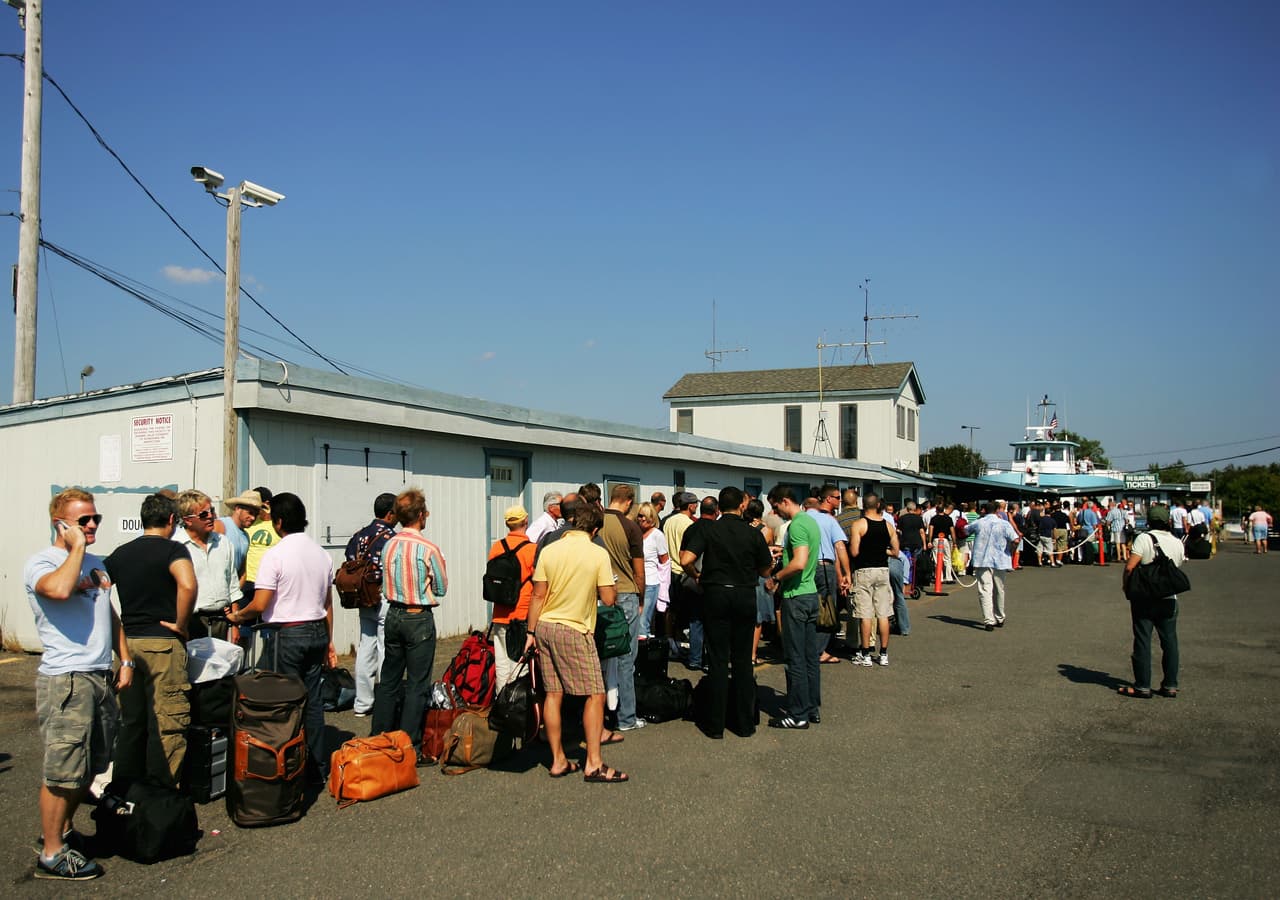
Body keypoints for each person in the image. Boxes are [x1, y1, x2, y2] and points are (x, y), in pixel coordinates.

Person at [26, 488, 132, 881]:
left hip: (100, 674)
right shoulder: (43, 562)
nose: (91, 526)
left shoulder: (97, 563)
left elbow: (110, 614)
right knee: (63, 769)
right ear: (61, 525)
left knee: (90, 765)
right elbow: (58, 590)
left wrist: (125, 659)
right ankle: (51, 853)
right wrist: (73, 550)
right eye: (83, 521)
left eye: (95, 519)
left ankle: (63, 832)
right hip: (66, 679)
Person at [227, 493, 338, 784]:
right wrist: (329, 641)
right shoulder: (321, 553)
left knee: (284, 703)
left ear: (278, 522)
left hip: (285, 633)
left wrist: (239, 616)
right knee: (313, 701)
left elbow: (261, 603)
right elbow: (327, 604)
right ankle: (317, 766)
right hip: (315, 629)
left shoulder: (275, 555)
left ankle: (287, 767)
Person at [523, 504, 628, 783]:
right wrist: (611, 585)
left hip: (545, 626)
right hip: (575, 628)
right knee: (595, 693)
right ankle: (593, 763)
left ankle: (558, 760)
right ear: (594, 530)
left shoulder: (549, 550)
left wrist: (530, 632)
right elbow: (608, 598)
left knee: (553, 694)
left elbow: (537, 595)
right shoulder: (597, 553)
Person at [103, 492, 196, 788]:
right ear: (171, 520)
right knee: (167, 722)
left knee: (132, 721)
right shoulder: (174, 550)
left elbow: (97, 590)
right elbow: (187, 584)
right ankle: (160, 792)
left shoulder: (120, 554)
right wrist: (181, 624)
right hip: (163, 644)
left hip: (128, 646)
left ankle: (125, 790)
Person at [680, 486, 772, 739]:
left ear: (719, 507)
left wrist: (697, 576)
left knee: (718, 659)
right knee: (742, 660)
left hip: (716, 593)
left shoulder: (710, 530)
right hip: (743, 593)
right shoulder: (753, 533)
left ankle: (715, 724)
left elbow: (686, 559)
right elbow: (766, 570)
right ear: (742, 506)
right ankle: (744, 724)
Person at [367, 489, 448, 759]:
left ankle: (378, 736)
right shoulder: (428, 548)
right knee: (417, 683)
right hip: (418, 616)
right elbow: (441, 586)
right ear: (421, 515)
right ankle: (409, 743)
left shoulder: (389, 544)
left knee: (389, 678)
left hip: (393, 614)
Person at [764, 486, 821, 730]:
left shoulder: (796, 525)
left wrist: (776, 578)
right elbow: (802, 556)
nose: (775, 512)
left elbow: (798, 563)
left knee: (795, 657)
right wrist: (783, 551)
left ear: (785, 501)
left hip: (795, 596)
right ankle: (811, 707)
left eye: (776, 506)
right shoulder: (811, 521)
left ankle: (798, 713)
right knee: (810, 657)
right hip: (810, 594)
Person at [1118, 504, 1186, 699]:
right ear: (1168, 521)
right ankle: (1170, 684)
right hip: (1169, 597)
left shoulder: (1144, 539)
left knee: (1142, 640)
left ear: (1149, 521)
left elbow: (1130, 567)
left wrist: (1126, 586)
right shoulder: (1177, 542)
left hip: (1145, 597)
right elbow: (1178, 564)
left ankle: (1142, 685)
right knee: (1170, 641)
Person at [344, 492, 398, 717]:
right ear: (390, 514)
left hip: (363, 598)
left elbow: (349, 561)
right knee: (385, 647)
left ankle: (362, 703)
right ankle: (386, 702)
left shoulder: (359, 535)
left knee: (366, 646)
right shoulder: (391, 538)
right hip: (384, 596)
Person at [599, 484, 646, 731]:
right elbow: (639, 571)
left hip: (598, 592)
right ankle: (626, 717)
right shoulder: (630, 527)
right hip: (626, 592)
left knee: (600, 657)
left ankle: (598, 715)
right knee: (626, 657)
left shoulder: (595, 523)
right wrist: (641, 598)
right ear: (628, 501)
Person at [174, 489, 242, 641]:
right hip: (191, 621)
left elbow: (233, 585)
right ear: (188, 520)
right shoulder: (176, 547)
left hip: (221, 621)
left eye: (211, 511)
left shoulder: (223, 543)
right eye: (203, 514)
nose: (211, 516)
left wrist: (236, 624)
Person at [488, 504, 538, 688]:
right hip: (521, 614)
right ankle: (517, 707)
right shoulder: (531, 549)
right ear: (525, 521)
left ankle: (501, 704)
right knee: (519, 665)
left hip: (499, 612)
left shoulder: (496, 547)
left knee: (501, 664)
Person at [848, 493, 899, 666]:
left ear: (864, 505)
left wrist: (865, 548)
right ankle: (883, 653)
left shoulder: (859, 525)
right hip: (882, 570)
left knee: (865, 614)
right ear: (878, 505)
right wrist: (881, 550)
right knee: (883, 613)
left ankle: (866, 654)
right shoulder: (888, 525)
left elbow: (854, 551)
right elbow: (895, 551)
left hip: (864, 570)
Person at [807, 486, 851, 664]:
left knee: (808, 607)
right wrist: (846, 573)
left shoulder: (802, 519)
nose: (839, 501)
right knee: (827, 609)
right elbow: (840, 547)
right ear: (826, 499)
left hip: (806, 567)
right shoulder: (829, 520)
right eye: (837, 497)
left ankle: (808, 646)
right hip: (825, 566)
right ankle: (819, 651)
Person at [966, 501, 1020, 631]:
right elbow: (1016, 539)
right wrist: (1011, 550)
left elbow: (965, 529)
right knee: (999, 589)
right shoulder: (1004, 524)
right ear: (997, 510)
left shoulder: (980, 522)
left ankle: (988, 620)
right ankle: (1000, 617)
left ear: (984, 510)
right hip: (1000, 560)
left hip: (982, 559)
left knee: (985, 589)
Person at [663, 491, 699, 661]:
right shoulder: (689, 524)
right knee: (685, 612)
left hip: (668, 569)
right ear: (691, 506)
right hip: (682, 571)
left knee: (671, 609)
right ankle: (680, 643)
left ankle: (671, 642)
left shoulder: (669, 521)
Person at [636, 502, 669, 639]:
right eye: (639, 515)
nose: (642, 519)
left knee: (643, 623)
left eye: (645, 516)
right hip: (636, 582)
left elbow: (664, 561)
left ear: (652, 517)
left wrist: (664, 587)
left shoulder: (657, 535)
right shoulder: (635, 533)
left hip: (651, 582)